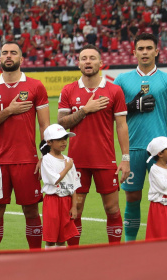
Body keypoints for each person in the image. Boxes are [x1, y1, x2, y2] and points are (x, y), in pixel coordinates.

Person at [0, 41, 49, 250]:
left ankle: (36, 256)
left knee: (31, 211)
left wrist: (45, 155)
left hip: (27, 159)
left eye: (13, 53)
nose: (9, 56)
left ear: (21, 58)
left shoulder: (36, 86)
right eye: (5, 53)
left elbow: (44, 125)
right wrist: (8, 111)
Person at [57, 45, 129, 245]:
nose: (88, 61)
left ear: (101, 63)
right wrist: (85, 110)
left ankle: (114, 253)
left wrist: (125, 158)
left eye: (92, 58)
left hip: (105, 159)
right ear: (78, 63)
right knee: (76, 209)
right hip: (77, 162)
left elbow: (121, 126)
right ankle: (74, 255)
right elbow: (61, 124)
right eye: (84, 58)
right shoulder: (68, 90)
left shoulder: (114, 90)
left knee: (112, 209)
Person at [113, 33, 167, 241]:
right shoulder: (122, 80)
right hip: (133, 146)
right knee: (132, 196)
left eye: (149, 48)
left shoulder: (166, 80)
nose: (145, 52)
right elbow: (110, 112)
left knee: (165, 196)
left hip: (161, 151)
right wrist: (132, 106)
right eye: (141, 48)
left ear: (156, 51)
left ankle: (162, 241)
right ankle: (130, 244)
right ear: (134, 52)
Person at [40, 124, 79, 248]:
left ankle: (60, 260)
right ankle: (49, 259)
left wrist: (74, 207)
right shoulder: (47, 159)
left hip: (66, 201)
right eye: (59, 139)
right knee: (51, 238)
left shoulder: (69, 160)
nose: (64, 142)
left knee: (63, 238)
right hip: (52, 201)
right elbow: (55, 180)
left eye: (65, 138)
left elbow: (74, 186)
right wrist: (67, 168)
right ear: (49, 142)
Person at [145, 136, 167, 240]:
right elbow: (163, 186)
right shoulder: (155, 170)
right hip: (160, 207)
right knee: (160, 235)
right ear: (160, 154)